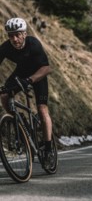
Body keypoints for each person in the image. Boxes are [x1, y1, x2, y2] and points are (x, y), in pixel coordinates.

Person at [0, 17, 53, 169]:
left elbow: (47, 68)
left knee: (42, 109)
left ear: (24, 33)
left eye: (17, 35)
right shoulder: (5, 47)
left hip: (38, 74)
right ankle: (18, 119)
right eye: (11, 35)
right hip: (21, 73)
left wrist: (30, 80)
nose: (14, 39)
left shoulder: (33, 44)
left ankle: (48, 149)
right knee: (4, 95)